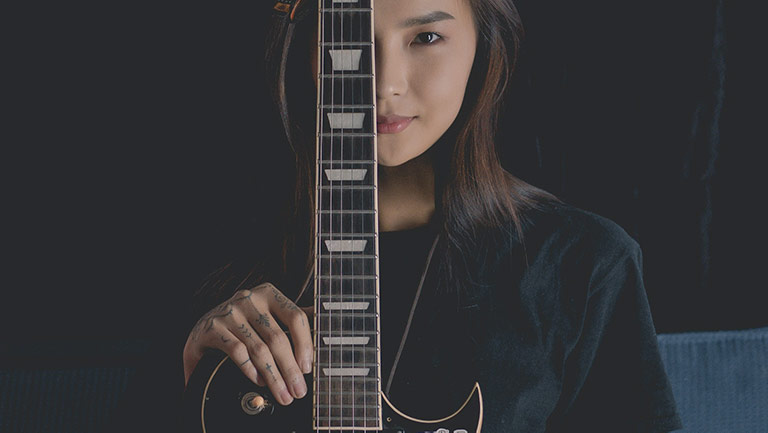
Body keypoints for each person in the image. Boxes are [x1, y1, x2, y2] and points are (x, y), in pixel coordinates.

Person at [182, 0, 683, 431]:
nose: (384, 85)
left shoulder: (584, 261)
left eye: (426, 36)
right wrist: (191, 380)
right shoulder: (222, 258)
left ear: (482, 47)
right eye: (345, 40)